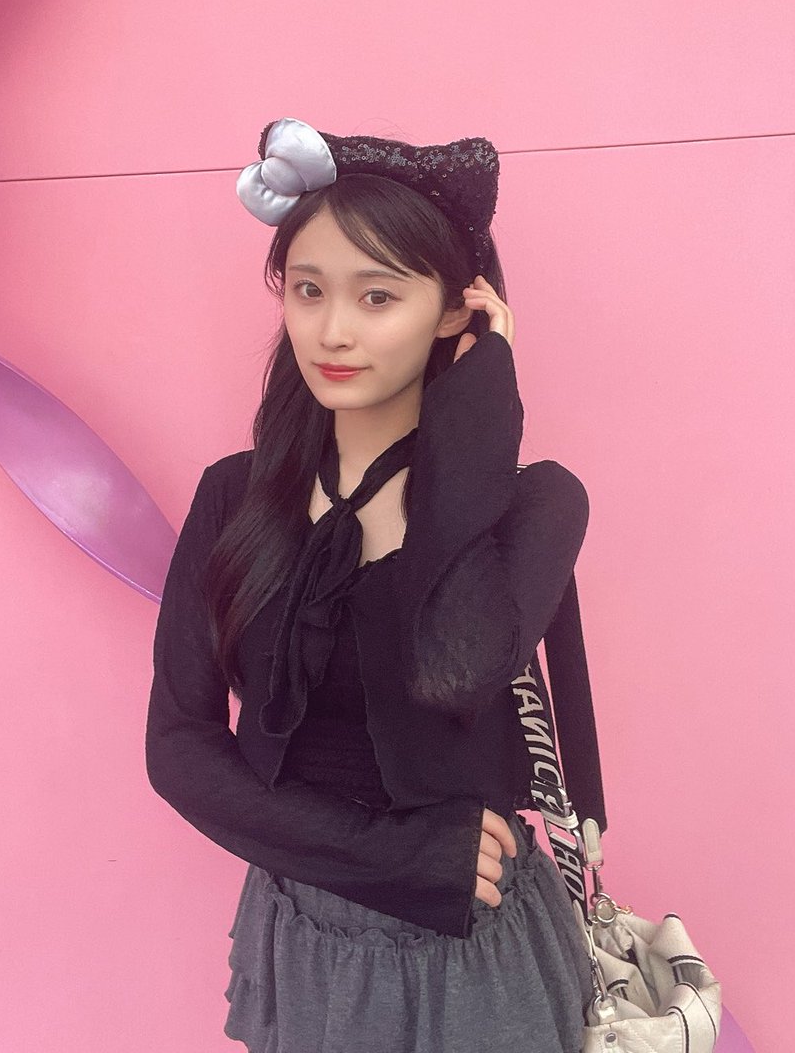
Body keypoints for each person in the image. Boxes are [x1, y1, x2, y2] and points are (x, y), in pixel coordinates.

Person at [145, 118, 597, 1052]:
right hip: (303, 928)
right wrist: (389, 855)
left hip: (471, 948)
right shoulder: (237, 495)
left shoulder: (538, 505)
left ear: (456, 311)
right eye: (307, 290)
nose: (333, 331)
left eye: (378, 296)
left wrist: (482, 399)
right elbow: (179, 747)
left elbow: (456, 668)